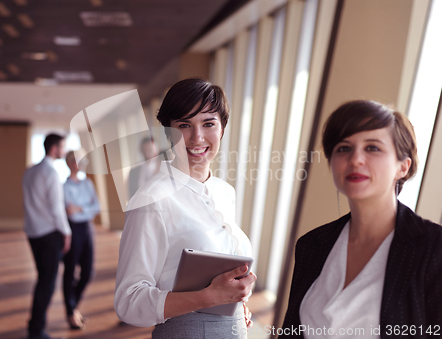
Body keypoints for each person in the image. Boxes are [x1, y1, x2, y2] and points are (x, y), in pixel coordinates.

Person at [280, 100, 442, 338]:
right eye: (343, 148)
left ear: (403, 167)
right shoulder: (312, 244)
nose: (355, 159)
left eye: (373, 148)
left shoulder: (433, 249)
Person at [114, 78, 257, 338]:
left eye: (209, 123)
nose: (197, 137)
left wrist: (237, 302)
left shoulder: (224, 192)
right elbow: (128, 301)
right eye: (183, 125)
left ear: (222, 128)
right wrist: (207, 297)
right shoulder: (152, 199)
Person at [23, 133, 72, 339]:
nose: (64, 151)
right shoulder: (51, 173)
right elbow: (56, 208)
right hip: (49, 235)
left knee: (42, 279)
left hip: (33, 233)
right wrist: (67, 233)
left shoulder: (30, 171)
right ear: (54, 148)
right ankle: (36, 330)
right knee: (47, 283)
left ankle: (35, 326)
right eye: (62, 147)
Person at [62, 150, 100, 330]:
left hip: (87, 229)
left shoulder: (88, 183)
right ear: (69, 163)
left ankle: (73, 307)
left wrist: (80, 208)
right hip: (72, 230)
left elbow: (97, 208)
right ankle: (71, 313)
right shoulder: (64, 187)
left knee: (88, 273)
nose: (80, 163)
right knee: (69, 272)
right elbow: (70, 212)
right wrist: (84, 208)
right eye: (76, 160)